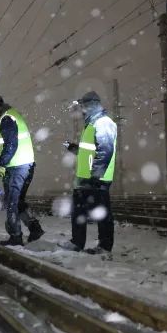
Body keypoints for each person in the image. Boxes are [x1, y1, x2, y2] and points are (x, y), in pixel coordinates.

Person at [57, 91, 117, 254]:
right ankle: (77, 242)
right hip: (84, 178)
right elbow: (88, 151)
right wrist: (73, 148)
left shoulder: (103, 123)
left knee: (102, 213)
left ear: (92, 105)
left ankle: (104, 247)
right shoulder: (91, 124)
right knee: (79, 211)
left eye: (83, 106)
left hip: (97, 178)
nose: (82, 110)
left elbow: (105, 150)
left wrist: (96, 175)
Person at [0, 94, 44, 246]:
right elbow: (8, 143)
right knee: (17, 201)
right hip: (25, 165)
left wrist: (2, 164)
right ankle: (35, 229)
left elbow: (11, 145)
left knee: (11, 202)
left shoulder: (6, 119)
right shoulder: (11, 115)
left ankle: (15, 236)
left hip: (16, 167)